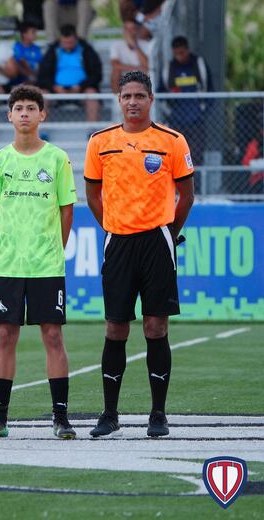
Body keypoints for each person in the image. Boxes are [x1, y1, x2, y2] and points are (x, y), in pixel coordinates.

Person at [84, 71, 195, 438]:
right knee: (116, 326)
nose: (133, 102)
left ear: (151, 99)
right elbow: (93, 194)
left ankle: (158, 414)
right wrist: (112, 227)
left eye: (139, 96)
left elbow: (187, 195)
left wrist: (167, 233)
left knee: (155, 326)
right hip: (119, 241)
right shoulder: (100, 142)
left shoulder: (172, 141)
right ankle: (110, 414)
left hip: (157, 241)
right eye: (126, 96)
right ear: (118, 100)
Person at [0, 84, 77, 439]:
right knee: (6, 335)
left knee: (52, 335)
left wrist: (54, 247)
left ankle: (61, 418)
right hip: (8, 264)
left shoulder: (56, 158)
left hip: (47, 265)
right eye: (17, 108)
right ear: (9, 115)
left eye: (30, 108)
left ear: (41, 115)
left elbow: (67, 210)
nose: (23, 114)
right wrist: (9, 243)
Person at [159, 36, 213, 172]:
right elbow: (160, 93)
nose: (179, 57)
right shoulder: (169, 68)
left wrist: (204, 111)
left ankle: (197, 187)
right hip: (176, 120)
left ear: (188, 50)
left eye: (182, 53)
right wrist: (169, 112)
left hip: (196, 120)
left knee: (196, 155)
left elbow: (210, 89)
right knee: (176, 154)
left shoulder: (198, 64)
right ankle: (178, 187)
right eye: (176, 54)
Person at [37, 24, 101, 121]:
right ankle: (42, 132)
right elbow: (42, 76)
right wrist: (54, 87)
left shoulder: (87, 50)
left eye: (70, 42)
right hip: (56, 91)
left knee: (92, 93)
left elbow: (97, 74)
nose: (67, 45)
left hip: (81, 91)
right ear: (60, 40)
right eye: (64, 42)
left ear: (76, 39)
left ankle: (92, 131)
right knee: (41, 95)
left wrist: (81, 86)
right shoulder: (52, 51)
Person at [110, 21, 152, 93]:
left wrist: (135, 45)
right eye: (127, 29)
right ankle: (117, 99)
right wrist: (138, 68)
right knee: (115, 72)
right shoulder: (116, 44)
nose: (129, 32)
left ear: (137, 31)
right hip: (127, 73)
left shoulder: (146, 44)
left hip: (142, 74)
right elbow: (115, 65)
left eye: (132, 29)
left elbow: (147, 65)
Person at [7, 19, 43, 86]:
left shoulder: (37, 48)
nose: (36, 34)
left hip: (35, 75)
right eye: (33, 32)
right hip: (21, 76)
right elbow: (19, 62)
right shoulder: (17, 47)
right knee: (19, 62)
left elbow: (40, 63)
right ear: (24, 34)